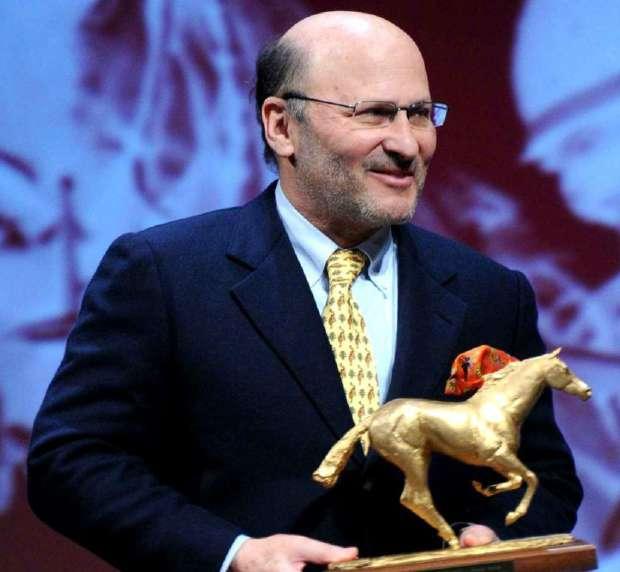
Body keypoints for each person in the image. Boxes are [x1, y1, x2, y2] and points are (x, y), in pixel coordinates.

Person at [27, 11, 582, 572]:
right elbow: (73, 459)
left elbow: (545, 474)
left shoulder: (491, 292)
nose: (406, 143)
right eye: (374, 113)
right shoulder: (163, 274)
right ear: (281, 126)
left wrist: (494, 536)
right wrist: (234, 555)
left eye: (419, 114)